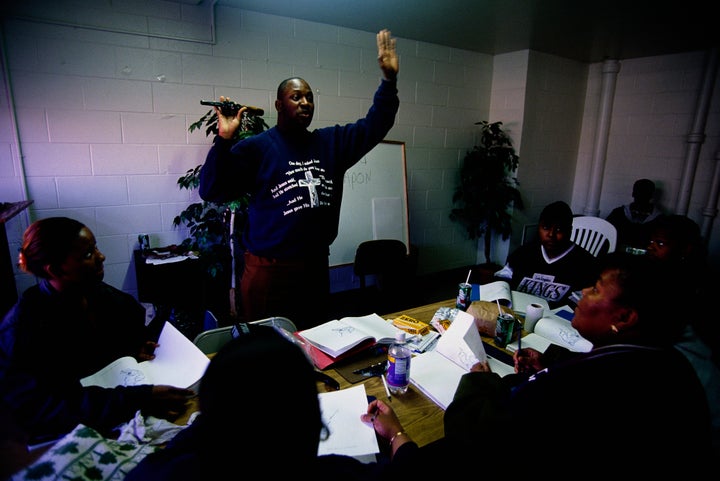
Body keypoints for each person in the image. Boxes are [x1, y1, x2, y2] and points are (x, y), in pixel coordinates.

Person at [198, 29, 400, 330]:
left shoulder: (332, 143)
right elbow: (211, 189)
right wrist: (224, 139)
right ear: (279, 105)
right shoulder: (257, 147)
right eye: (296, 97)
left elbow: (375, 125)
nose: (305, 102)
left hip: (314, 269)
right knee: (268, 350)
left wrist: (389, 82)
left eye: (309, 97)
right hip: (268, 271)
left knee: (315, 342)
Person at [444, 252, 712, 476]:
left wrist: (478, 381)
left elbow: (475, 437)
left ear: (625, 317)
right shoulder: (669, 361)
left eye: (595, 289)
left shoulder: (579, 385)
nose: (583, 292)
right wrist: (549, 362)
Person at [126, 324, 420, 480]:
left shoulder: (167, 470)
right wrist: (396, 433)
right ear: (309, 422)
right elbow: (411, 473)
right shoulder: (335, 473)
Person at [0, 217, 193, 447]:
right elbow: (47, 410)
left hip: (117, 407)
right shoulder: (23, 329)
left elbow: (115, 339)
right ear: (55, 270)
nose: (101, 257)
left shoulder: (98, 295)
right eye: (88, 254)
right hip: (72, 437)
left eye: (96, 248)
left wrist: (135, 347)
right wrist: (139, 399)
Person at [494, 200, 598, 309]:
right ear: (539, 227)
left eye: (558, 230)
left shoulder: (586, 263)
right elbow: (502, 279)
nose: (551, 234)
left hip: (556, 321)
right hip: (516, 313)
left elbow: (581, 302)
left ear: (569, 231)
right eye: (546, 228)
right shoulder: (522, 253)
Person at [606, 178, 663, 251]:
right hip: (618, 255)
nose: (642, 196)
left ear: (651, 196)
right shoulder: (618, 213)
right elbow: (606, 235)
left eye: (645, 193)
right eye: (639, 192)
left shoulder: (660, 219)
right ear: (633, 193)